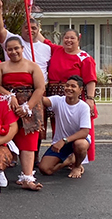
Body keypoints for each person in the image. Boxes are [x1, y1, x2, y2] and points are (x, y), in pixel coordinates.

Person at [39, 28, 98, 162]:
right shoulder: (56, 50)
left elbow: (90, 80)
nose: (69, 40)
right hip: (56, 97)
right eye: (66, 37)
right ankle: (61, 157)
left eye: (72, 38)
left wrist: (90, 99)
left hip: (75, 96)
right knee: (58, 127)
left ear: (79, 39)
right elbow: (40, 38)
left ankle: (79, 159)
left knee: (80, 128)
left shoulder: (85, 58)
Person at [0, 36, 45, 190]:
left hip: (30, 106)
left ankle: (27, 177)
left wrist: (27, 106)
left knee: (28, 142)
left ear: (22, 48)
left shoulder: (33, 66)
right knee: (6, 137)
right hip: (8, 105)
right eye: (9, 49)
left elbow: (40, 88)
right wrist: (9, 95)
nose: (13, 51)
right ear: (6, 51)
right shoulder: (1, 66)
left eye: (16, 48)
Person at [39, 76, 92, 179]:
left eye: (73, 86)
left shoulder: (84, 107)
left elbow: (85, 132)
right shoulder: (58, 101)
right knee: (44, 169)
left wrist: (64, 140)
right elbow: (42, 100)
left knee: (80, 144)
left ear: (80, 90)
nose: (69, 88)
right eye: (67, 85)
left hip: (76, 141)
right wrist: (37, 89)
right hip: (61, 143)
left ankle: (76, 166)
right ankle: (69, 160)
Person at [0, 0, 51, 80]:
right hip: (15, 85)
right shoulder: (13, 39)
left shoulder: (47, 48)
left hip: (41, 88)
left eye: (33, 28)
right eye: (26, 28)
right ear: (21, 29)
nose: (30, 30)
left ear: (38, 30)